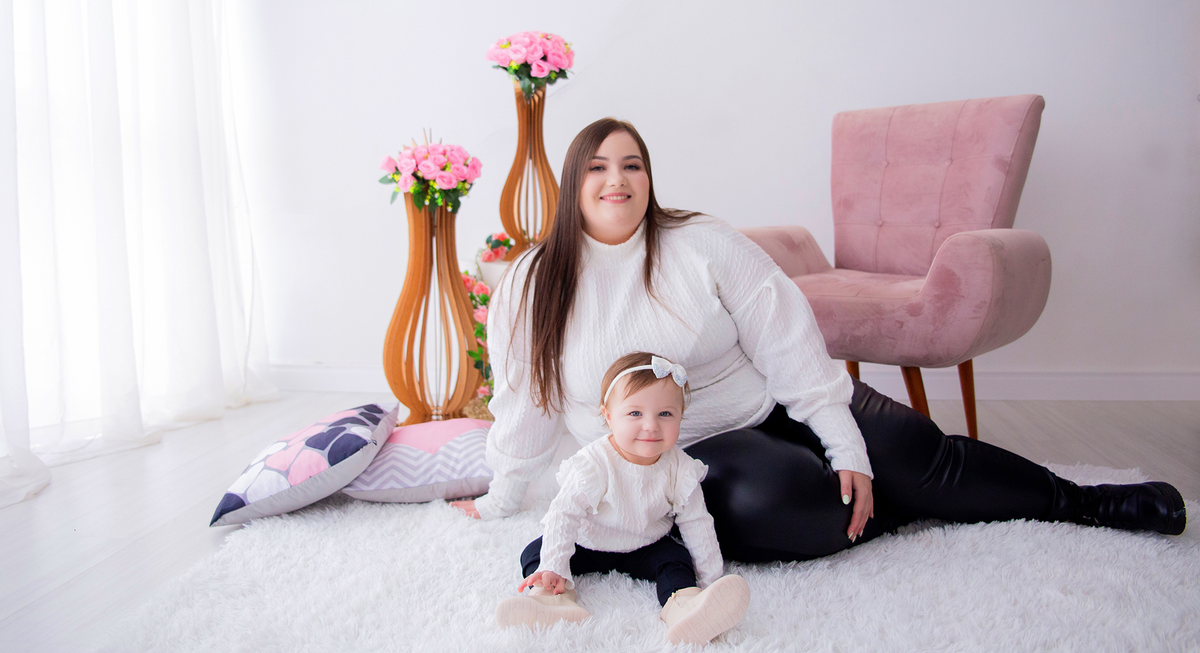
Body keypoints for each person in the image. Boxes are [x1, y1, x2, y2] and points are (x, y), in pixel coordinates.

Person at [453, 118, 1185, 572]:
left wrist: (846, 442)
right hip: (685, 447)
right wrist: (503, 493)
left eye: (632, 164)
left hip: (777, 398)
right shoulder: (532, 282)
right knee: (778, 502)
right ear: (572, 183)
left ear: (649, 178)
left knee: (919, 454)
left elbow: (787, 338)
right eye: (598, 166)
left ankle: (1083, 502)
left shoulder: (700, 241)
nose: (617, 180)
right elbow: (526, 401)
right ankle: (893, 505)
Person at [495, 351, 750, 646]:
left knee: (676, 560)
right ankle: (551, 599)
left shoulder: (680, 468)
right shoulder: (595, 464)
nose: (651, 425)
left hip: (646, 544)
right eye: (635, 414)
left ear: (681, 415)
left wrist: (711, 581)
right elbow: (563, 515)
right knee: (537, 551)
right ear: (608, 416)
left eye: (665, 414)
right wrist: (553, 564)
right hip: (588, 542)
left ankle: (686, 606)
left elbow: (698, 523)